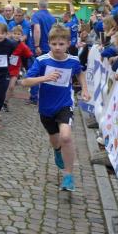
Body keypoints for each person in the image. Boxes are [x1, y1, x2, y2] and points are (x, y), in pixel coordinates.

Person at [20, 24, 90, 192]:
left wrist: (85, 89)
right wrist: (45, 78)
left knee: (66, 137)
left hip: (65, 104)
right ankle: (57, 151)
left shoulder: (73, 61)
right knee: (55, 139)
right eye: (54, 44)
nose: (57, 47)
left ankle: (69, 176)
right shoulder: (42, 61)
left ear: (68, 44)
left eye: (61, 44)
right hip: (46, 107)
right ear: (49, 43)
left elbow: (79, 72)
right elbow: (25, 82)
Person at [29, 0, 57, 105]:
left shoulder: (36, 16)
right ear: (47, 5)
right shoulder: (52, 17)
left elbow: (37, 30)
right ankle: (47, 96)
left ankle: (34, 96)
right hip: (49, 47)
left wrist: (37, 45)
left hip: (39, 48)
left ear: (38, 5)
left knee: (35, 72)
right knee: (48, 72)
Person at [6, 25, 33, 111]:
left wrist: (34, 63)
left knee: (11, 86)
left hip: (15, 69)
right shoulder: (6, 43)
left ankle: (6, 102)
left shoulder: (22, 45)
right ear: (11, 34)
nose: (16, 35)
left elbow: (30, 55)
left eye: (18, 34)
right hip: (5, 68)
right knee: (2, 86)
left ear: (21, 35)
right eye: (15, 33)